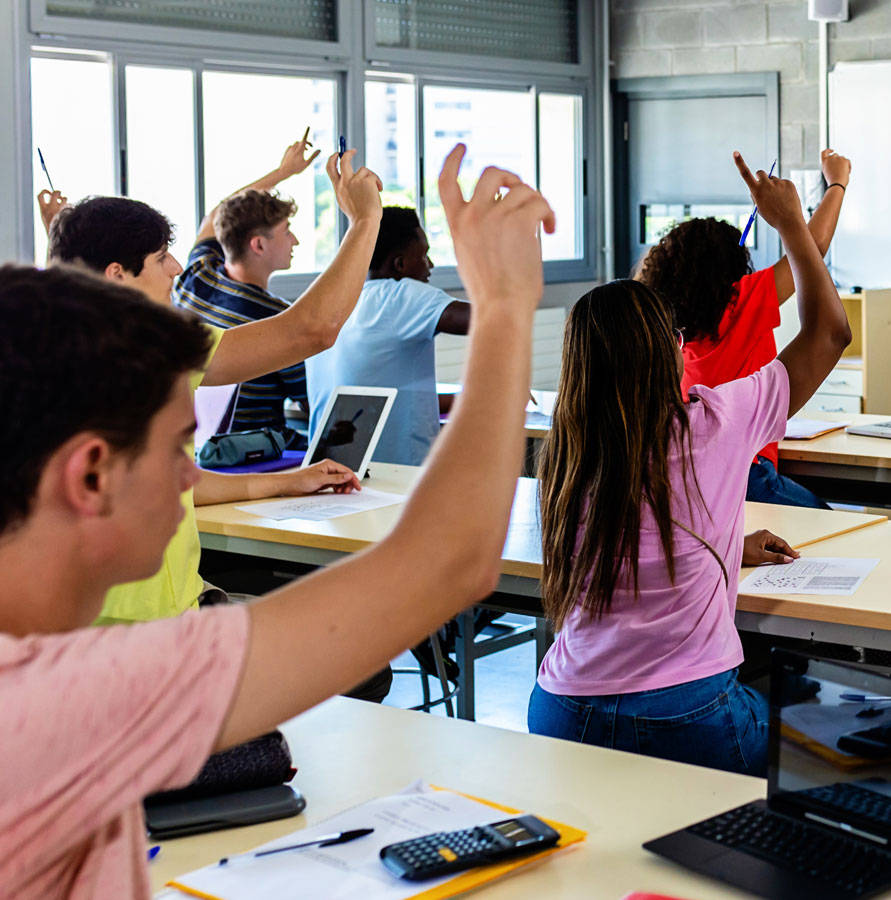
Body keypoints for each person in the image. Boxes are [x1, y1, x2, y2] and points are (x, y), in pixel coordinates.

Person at [0, 144, 556, 900]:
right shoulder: (71, 700)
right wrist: (503, 308)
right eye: (175, 447)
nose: (193, 475)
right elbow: (447, 561)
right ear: (90, 475)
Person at [529, 152, 852, 775]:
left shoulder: (568, 451)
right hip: (686, 715)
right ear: (668, 350)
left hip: (561, 711)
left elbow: (639, 539)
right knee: (845, 734)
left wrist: (726, 544)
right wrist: (790, 223)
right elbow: (830, 333)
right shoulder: (714, 422)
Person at [42, 149, 383, 630]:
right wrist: (365, 220)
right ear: (116, 276)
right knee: (355, 650)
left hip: (100, 622)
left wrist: (287, 481)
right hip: (147, 633)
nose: (177, 268)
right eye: (160, 259)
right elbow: (313, 330)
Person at [635, 149, 854, 509]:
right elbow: (814, 247)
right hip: (747, 473)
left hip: (693, 478)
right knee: (838, 528)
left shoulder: (666, 322)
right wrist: (837, 183)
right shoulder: (742, 300)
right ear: (731, 272)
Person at [175, 132, 377, 448]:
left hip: (194, 446)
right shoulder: (276, 318)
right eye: (287, 232)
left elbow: (216, 215)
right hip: (255, 455)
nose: (294, 240)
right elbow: (314, 403)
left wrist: (285, 171)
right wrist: (365, 218)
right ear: (258, 244)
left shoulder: (196, 276)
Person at [306, 206, 472, 466]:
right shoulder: (399, 296)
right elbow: (489, 317)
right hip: (398, 479)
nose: (430, 266)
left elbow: (385, 396)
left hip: (331, 473)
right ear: (400, 263)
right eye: (424, 255)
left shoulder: (328, 302)